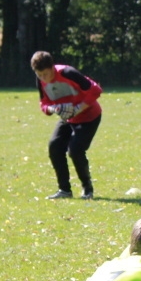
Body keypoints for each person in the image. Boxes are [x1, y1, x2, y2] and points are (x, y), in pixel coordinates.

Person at [32, 51, 103, 200]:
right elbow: (44, 103)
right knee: (55, 146)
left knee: (75, 150)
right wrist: (52, 109)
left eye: (45, 74)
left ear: (52, 67)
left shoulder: (68, 73)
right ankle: (64, 190)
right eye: (39, 75)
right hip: (68, 117)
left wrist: (78, 108)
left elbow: (96, 89)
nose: (43, 78)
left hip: (89, 116)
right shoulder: (40, 80)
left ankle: (87, 189)